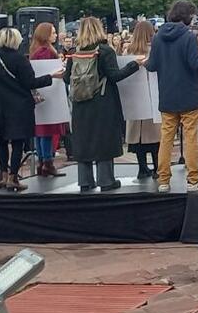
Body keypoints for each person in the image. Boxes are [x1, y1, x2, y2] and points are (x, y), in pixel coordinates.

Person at [147, 0, 198, 193]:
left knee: (166, 138)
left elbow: (152, 65)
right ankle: (193, 180)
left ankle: (163, 181)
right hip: (188, 94)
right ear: (187, 16)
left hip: (167, 95)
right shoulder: (188, 37)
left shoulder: (158, 37)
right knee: (190, 137)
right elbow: (196, 64)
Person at [0, 28, 64, 191]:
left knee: (2, 141)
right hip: (18, 108)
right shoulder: (19, 59)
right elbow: (30, 82)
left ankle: (2, 176)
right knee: (18, 142)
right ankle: (13, 177)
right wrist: (51, 76)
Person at [65, 17, 142, 192]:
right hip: (102, 101)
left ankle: (85, 181)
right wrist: (134, 65)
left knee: (83, 140)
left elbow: (66, 78)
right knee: (103, 139)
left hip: (79, 103)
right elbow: (115, 76)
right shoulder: (105, 51)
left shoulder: (74, 52)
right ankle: (106, 180)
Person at [29, 22, 67, 178]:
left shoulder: (34, 50)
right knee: (47, 130)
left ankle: (42, 162)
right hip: (49, 94)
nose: (56, 35)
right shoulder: (46, 51)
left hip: (40, 95)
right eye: (52, 32)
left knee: (40, 130)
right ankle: (47, 162)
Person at [125, 21, 161, 179]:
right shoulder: (155, 50)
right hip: (152, 95)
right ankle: (157, 168)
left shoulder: (129, 51)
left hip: (134, 97)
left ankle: (142, 167)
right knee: (155, 136)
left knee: (137, 136)